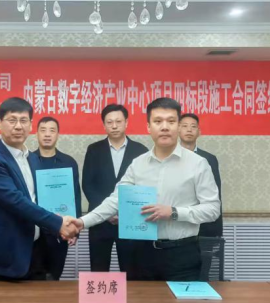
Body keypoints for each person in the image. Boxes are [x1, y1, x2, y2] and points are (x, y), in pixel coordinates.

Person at [73, 98, 220, 281]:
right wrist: (82, 222)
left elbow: (213, 209)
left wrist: (174, 212)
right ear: (149, 127)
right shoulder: (138, 164)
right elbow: (115, 200)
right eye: (158, 121)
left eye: (171, 121)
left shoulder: (198, 164)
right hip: (141, 254)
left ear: (178, 126)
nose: (164, 127)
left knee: (180, 301)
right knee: (141, 301)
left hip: (182, 255)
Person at [0, 97, 78, 281]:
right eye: (12, 120)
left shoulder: (32, 159)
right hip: (2, 258)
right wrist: (58, 223)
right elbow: (16, 201)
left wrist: (60, 218)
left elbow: (37, 200)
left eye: (23, 120)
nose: (18, 126)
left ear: (30, 125)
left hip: (33, 254)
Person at [82, 104, 148, 273]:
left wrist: (124, 213)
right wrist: (108, 212)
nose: (114, 126)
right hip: (100, 222)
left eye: (118, 121)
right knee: (98, 271)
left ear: (126, 122)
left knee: (131, 271)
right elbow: (88, 185)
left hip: (130, 222)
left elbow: (143, 187)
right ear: (104, 125)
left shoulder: (141, 151)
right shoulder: (94, 149)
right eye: (109, 122)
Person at [32, 116, 82, 280]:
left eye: (52, 131)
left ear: (58, 134)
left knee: (54, 277)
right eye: (43, 130)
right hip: (33, 231)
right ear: (36, 134)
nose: (47, 134)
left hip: (60, 230)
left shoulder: (68, 162)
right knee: (33, 278)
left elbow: (75, 196)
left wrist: (75, 230)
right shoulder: (27, 161)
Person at [178, 113, 223, 238]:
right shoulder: (169, 157)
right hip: (176, 223)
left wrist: (216, 228)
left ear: (199, 132)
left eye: (193, 126)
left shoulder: (209, 159)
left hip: (203, 225)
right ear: (177, 130)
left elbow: (216, 194)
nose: (189, 130)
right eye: (185, 126)